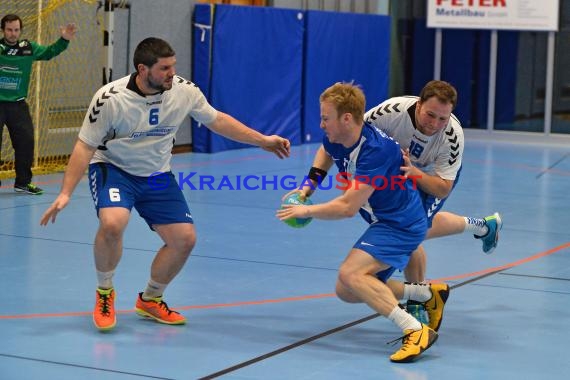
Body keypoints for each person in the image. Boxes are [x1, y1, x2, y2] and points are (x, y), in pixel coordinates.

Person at [40, 37, 291, 331]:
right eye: (164, 68)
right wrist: (65, 193)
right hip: (115, 169)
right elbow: (84, 146)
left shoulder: (184, 91)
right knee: (112, 223)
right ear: (142, 69)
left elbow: (217, 120)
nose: (172, 73)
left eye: (173, 66)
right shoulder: (110, 99)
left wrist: (262, 140)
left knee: (184, 239)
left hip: (157, 175)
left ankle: (150, 298)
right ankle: (105, 291)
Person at [277, 82, 448, 363]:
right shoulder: (339, 136)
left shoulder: (376, 150)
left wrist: (305, 212)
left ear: (347, 118)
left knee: (351, 274)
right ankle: (426, 293)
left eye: (325, 118)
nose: (321, 124)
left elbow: (347, 207)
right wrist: (307, 188)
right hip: (384, 219)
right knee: (347, 290)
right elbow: (327, 152)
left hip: (401, 223)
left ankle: (415, 330)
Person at [364, 80, 502, 321]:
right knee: (412, 229)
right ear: (418, 106)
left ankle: (417, 299)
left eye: (442, 118)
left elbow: (442, 188)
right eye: (430, 115)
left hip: (433, 178)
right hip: (400, 175)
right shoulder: (391, 111)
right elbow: (355, 132)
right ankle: (482, 226)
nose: (434, 124)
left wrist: (414, 172)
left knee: (409, 231)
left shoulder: (452, 136)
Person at [0, 14, 77, 194]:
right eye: (9, 30)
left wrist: (64, 39)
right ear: (3, 30)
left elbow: (49, 52)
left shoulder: (28, 48)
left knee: (26, 142)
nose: (13, 33)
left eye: (16, 30)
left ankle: (23, 183)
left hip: (18, 105)